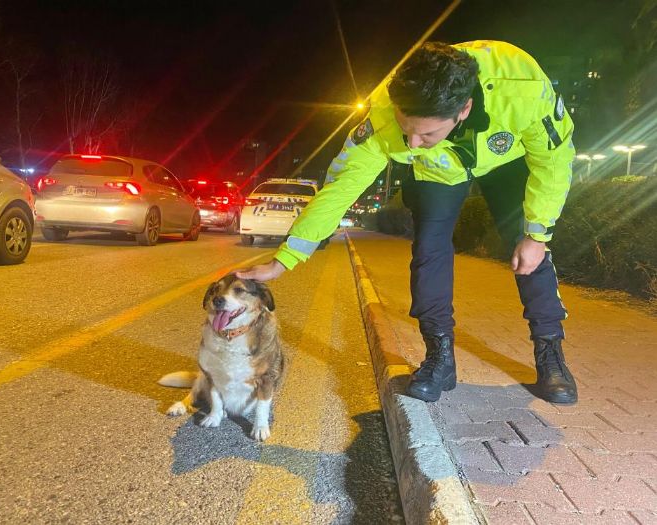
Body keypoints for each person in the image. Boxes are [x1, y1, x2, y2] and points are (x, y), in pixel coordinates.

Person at [236, 40, 577, 405]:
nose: (413, 142)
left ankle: (550, 353)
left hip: (510, 159)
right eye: (406, 129)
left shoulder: (522, 87)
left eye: (426, 133)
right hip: (440, 172)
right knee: (429, 250)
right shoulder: (384, 111)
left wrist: (537, 233)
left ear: (464, 109)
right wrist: (286, 257)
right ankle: (439, 356)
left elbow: (555, 160)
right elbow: (342, 184)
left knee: (530, 250)